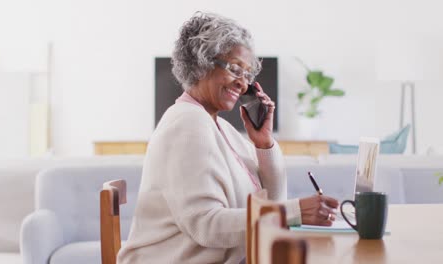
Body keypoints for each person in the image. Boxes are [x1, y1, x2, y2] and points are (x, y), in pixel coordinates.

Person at [117, 12, 338, 264]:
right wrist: (296, 212)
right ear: (202, 63)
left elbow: (271, 205)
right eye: (235, 69)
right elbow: (206, 226)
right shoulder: (187, 123)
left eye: (247, 74)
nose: (243, 85)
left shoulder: (222, 129)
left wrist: (264, 143)